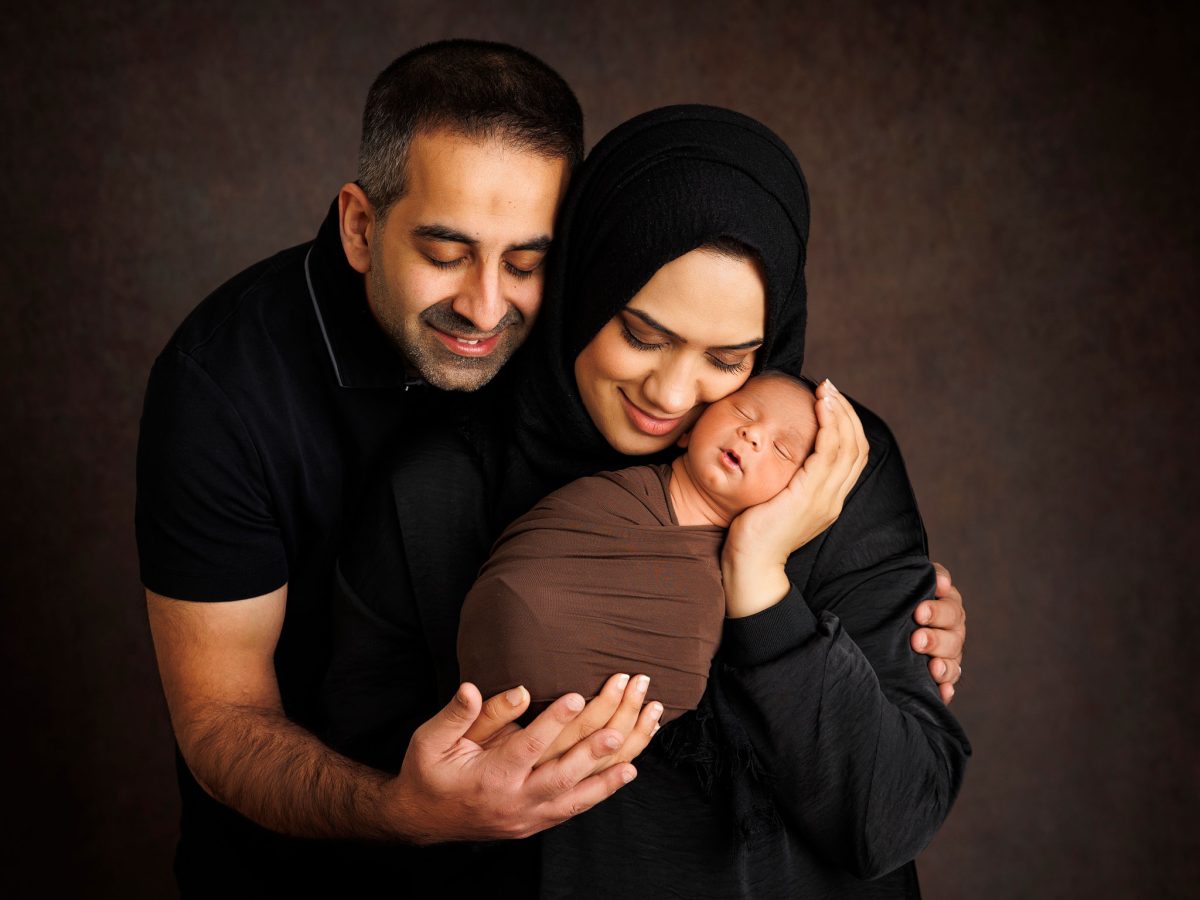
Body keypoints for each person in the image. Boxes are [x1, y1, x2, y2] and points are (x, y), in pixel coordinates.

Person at [135, 39, 965, 892]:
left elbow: (893, 811)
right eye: (640, 333)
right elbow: (300, 746)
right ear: (590, 283)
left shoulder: (826, 463)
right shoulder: (406, 470)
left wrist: (766, 585)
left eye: (728, 359)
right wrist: (414, 809)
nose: (674, 392)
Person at [458, 371, 820, 725]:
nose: (753, 434)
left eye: (782, 449)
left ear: (796, 503)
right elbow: (522, 571)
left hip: (597, 736)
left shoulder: (730, 583)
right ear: (688, 428)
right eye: (743, 412)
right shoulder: (608, 496)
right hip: (477, 690)